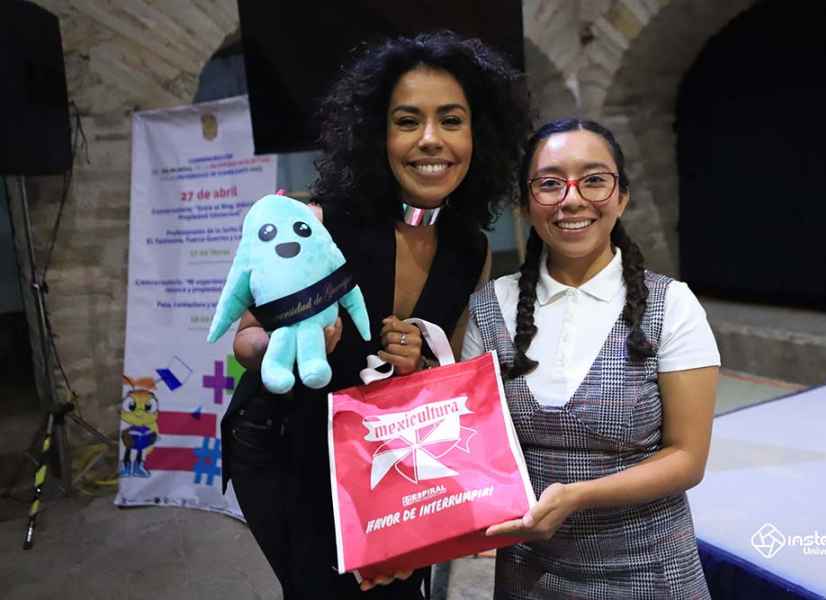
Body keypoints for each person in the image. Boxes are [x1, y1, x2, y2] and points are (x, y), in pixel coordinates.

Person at [221, 31, 530, 599]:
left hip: (391, 460)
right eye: (408, 121)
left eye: (451, 120)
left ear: (478, 135)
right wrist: (287, 342)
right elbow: (245, 340)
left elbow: (444, 376)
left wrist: (418, 362)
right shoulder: (315, 222)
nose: (431, 139)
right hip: (286, 447)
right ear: (376, 134)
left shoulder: (471, 250)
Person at [464, 118, 720, 599]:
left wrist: (578, 496)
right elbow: (471, 444)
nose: (572, 199)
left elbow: (687, 458)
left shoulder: (672, 305)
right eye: (550, 183)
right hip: (528, 575)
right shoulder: (489, 306)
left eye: (595, 180)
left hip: (649, 573)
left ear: (621, 197)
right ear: (524, 204)